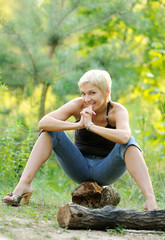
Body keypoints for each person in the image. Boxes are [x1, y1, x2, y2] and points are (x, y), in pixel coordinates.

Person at [4, 69, 158, 210]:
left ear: (106, 92)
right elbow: (43, 122)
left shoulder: (117, 111)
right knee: (49, 132)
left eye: (92, 93)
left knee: (129, 143)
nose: (86, 99)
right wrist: (78, 126)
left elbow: (124, 136)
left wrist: (91, 126)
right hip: (79, 167)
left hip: (106, 171)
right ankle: (24, 185)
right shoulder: (78, 105)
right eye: (83, 93)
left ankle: (150, 199)